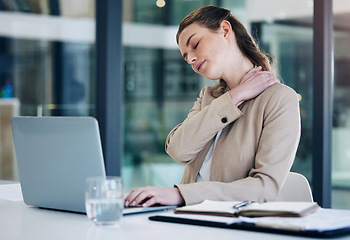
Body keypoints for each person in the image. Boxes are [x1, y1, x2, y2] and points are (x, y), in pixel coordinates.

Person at [124, 5, 300, 207]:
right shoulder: (208, 97)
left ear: (225, 30)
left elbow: (264, 188)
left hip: (236, 225)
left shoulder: (279, 99)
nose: (190, 59)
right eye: (185, 56)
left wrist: (182, 195)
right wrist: (235, 96)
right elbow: (178, 150)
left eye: (195, 44)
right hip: (188, 218)